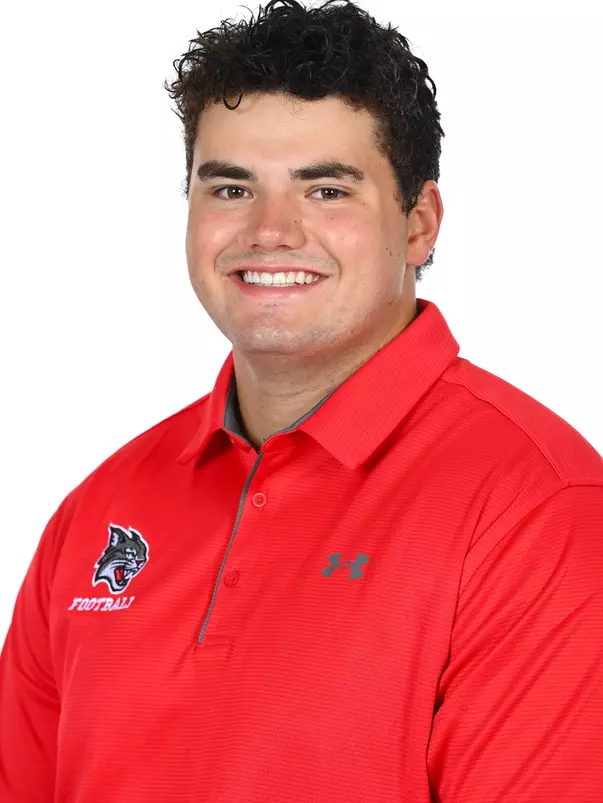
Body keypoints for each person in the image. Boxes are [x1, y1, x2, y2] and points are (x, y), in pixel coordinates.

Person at [1, 0, 602, 800]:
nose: (270, 231)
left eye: (324, 190)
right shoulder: (99, 509)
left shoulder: (538, 509)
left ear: (418, 224)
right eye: (231, 188)